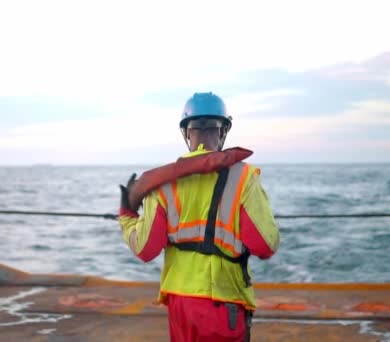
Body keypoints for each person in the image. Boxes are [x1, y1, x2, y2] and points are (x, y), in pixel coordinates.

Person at [118, 92, 280, 341]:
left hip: (180, 304)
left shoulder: (163, 183)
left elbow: (146, 249)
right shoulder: (244, 178)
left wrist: (127, 215)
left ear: (186, 132)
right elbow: (264, 246)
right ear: (224, 129)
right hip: (224, 302)